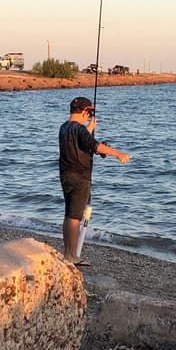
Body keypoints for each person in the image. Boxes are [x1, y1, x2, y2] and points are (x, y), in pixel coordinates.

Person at [59, 96, 131, 264]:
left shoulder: (64, 128)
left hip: (66, 176)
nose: (89, 117)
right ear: (85, 111)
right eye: (89, 113)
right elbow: (95, 146)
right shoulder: (79, 129)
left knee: (69, 214)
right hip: (80, 178)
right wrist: (118, 154)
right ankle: (71, 256)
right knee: (75, 217)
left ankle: (67, 253)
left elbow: (79, 145)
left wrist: (89, 129)